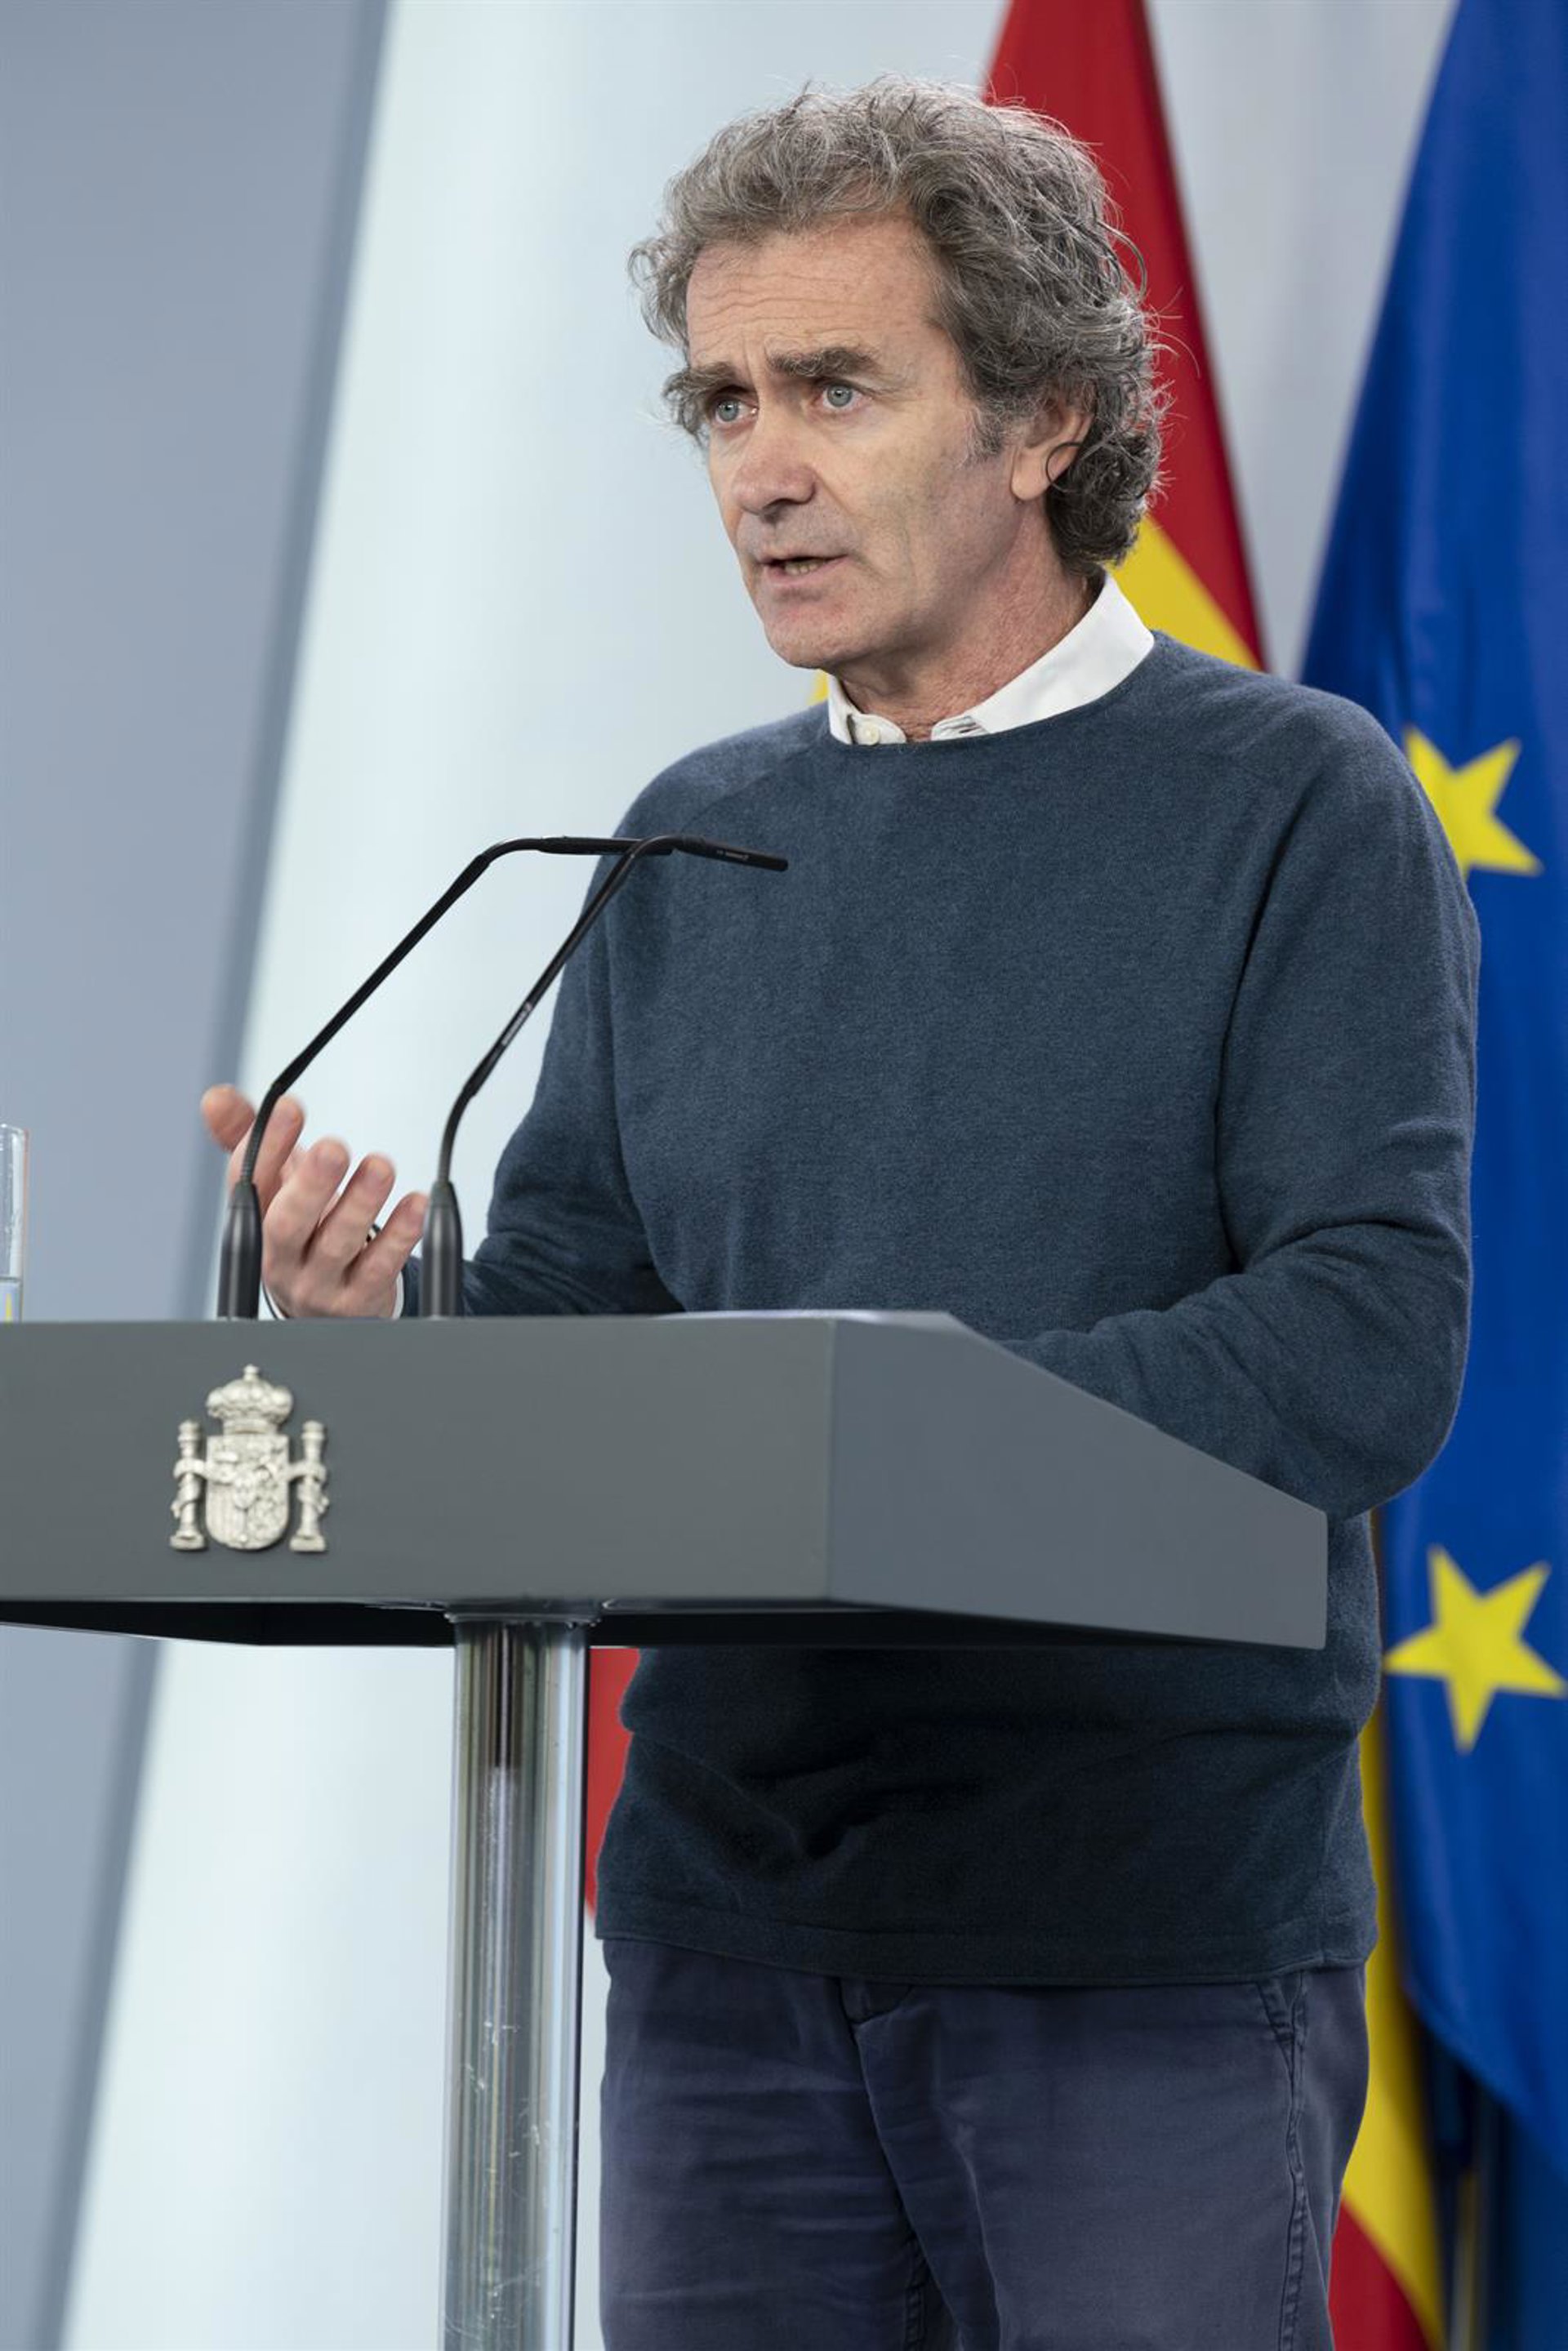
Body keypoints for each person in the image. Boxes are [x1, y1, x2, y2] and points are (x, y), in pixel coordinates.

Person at [203, 78, 1480, 2351]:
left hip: (1134, 1947)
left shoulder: (1295, 800)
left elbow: (1363, 1340)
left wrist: (890, 1438)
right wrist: (389, 1325)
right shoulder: (685, 840)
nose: (759, 469)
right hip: (728, 1943)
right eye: (721, 401)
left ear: (1042, 420)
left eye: (834, 388)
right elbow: (585, 1335)